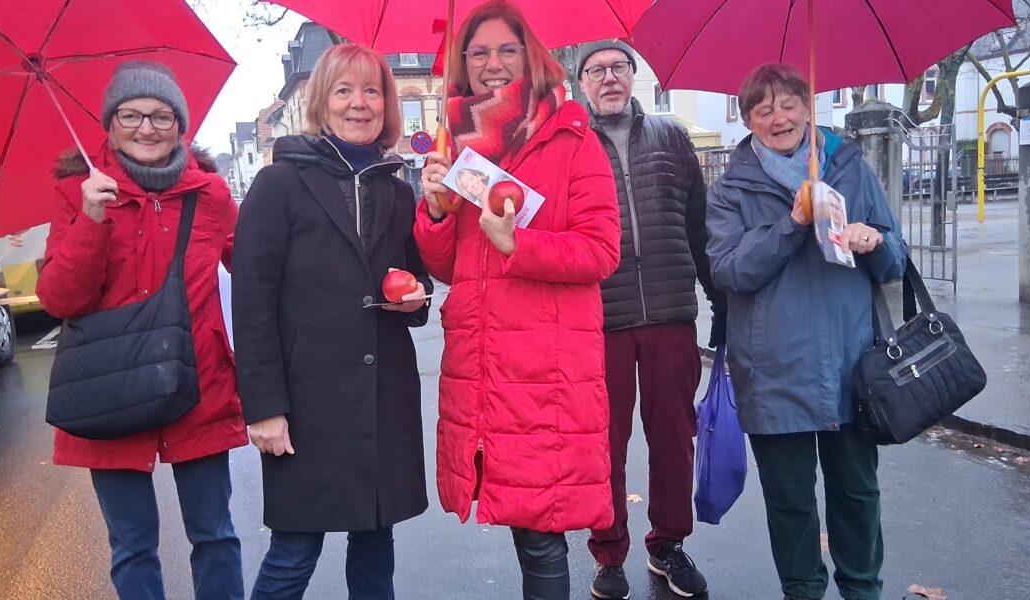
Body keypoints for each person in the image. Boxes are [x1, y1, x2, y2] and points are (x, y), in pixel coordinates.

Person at [415, 2, 622, 598]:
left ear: (530, 57)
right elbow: (445, 266)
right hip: (482, 362)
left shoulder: (572, 139)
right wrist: (434, 211)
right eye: (478, 52)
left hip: (547, 367)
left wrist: (519, 245)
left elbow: (600, 251)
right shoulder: (456, 147)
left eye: (506, 49)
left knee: (541, 528)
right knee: (518, 519)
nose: (492, 64)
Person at [37, 60, 245, 600]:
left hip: (197, 384)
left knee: (216, 537)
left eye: (161, 116)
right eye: (131, 115)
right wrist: (90, 221)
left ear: (181, 125)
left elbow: (255, 266)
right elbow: (61, 299)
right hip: (110, 393)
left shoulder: (211, 195)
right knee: (132, 547)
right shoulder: (77, 193)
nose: (146, 128)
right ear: (109, 123)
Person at [231, 43, 432, 600]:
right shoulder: (279, 186)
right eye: (344, 90)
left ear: (387, 104)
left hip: (380, 397)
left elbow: (416, 279)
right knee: (294, 554)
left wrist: (417, 298)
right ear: (322, 102)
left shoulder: (398, 189)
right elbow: (251, 303)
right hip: (306, 404)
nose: (359, 103)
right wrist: (265, 408)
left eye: (371, 91)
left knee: (375, 548)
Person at [704, 63, 909, 600]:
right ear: (748, 121)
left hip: (852, 363)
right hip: (773, 369)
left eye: (789, 104)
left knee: (857, 492)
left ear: (808, 105)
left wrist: (876, 242)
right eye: (763, 110)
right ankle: (802, 591)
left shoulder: (850, 167)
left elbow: (895, 260)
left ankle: (863, 590)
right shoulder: (731, 190)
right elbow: (730, 271)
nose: (779, 118)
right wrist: (791, 223)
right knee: (790, 500)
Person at [574, 40, 724, 600]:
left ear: (633, 76)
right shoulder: (571, 143)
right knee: (602, 444)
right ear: (582, 84)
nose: (608, 78)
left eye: (618, 67)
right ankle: (608, 551)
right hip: (599, 319)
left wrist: (719, 298)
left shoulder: (672, 138)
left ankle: (667, 546)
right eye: (595, 71)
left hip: (669, 314)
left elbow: (699, 226)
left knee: (672, 436)